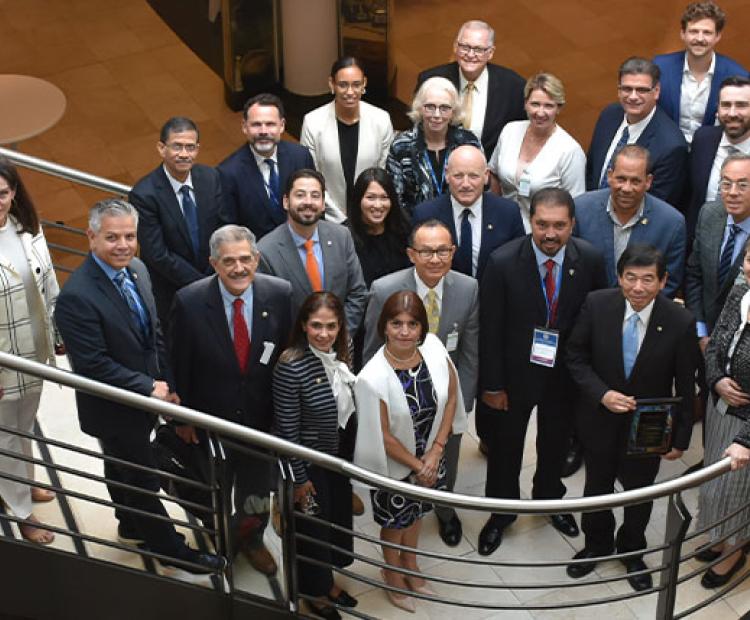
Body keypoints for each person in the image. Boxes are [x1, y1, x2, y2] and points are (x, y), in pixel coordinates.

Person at [55, 199, 226, 574]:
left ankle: (130, 524)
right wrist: (149, 386)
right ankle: (171, 550)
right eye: (112, 237)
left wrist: (169, 383)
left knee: (122, 468)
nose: (122, 245)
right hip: (114, 408)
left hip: (149, 396)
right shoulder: (75, 297)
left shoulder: (138, 270)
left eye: (129, 237)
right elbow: (92, 364)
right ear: (91, 237)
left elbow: (156, 334)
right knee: (143, 479)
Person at [476, 189, 607, 555]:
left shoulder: (591, 259)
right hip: (514, 377)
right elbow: (490, 329)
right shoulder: (501, 262)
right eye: (542, 224)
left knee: (555, 443)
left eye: (559, 225)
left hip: (565, 376)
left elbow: (598, 319)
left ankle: (549, 499)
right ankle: (501, 514)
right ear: (530, 221)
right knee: (505, 449)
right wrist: (493, 385)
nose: (550, 233)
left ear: (572, 224)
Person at [565, 244, 697, 592]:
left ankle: (632, 550)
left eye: (647, 280)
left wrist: (680, 438)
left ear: (663, 281)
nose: (638, 288)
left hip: (649, 427)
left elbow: (686, 383)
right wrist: (602, 394)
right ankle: (596, 544)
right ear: (619, 277)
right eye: (630, 278)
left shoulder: (680, 321)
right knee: (597, 487)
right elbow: (575, 356)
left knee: (639, 492)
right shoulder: (597, 305)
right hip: (599, 418)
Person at [169, 224, 293, 576]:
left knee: (256, 492)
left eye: (245, 259)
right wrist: (182, 419)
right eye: (228, 261)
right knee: (213, 489)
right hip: (210, 421)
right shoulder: (189, 302)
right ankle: (219, 536)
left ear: (256, 258)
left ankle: (252, 539)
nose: (239, 269)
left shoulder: (280, 294)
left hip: (260, 420)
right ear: (213, 263)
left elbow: (286, 355)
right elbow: (178, 364)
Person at [362, 219, 479, 547]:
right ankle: (401, 516)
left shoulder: (468, 288)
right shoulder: (384, 289)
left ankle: (445, 510)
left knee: (444, 463)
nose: (435, 258)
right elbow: (371, 353)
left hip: (446, 403)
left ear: (453, 252)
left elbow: (470, 353)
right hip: (399, 402)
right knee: (403, 463)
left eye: (443, 250)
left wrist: (461, 405)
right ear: (411, 254)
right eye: (426, 251)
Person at [355, 290, 466, 612]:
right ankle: (391, 572)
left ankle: (411, 564)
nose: (404, 331)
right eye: (396, 323)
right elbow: (383, 435)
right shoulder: (371, 377)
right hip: (396, 464)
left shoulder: (432, 347)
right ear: (384, 327)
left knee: (418, 513)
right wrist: (419, 465)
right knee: (395, 522)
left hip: (432, 453)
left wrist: (437, 451)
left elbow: (451, 398)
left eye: (412, 324)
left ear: (422, 327)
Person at [273, 292, 357, 619]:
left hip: (337, 462)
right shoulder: (290, 366)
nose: (324, 333)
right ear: (304, 326)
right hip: (308, 468)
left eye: (331, 326)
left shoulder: (342, 354)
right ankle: (315, 591)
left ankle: (329, 581)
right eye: (316, 326)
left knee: (334, 524)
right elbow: (286, 431)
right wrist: (299, 480)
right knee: (312, 530)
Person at [0, 158, 60, 544]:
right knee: (4, 436)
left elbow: (50, 283)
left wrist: (57, 335)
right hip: (2, 362)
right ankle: (20, 508)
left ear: (13, 192)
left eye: (2, 193)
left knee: (24, 425)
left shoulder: (27, 230)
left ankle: (24, 480)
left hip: (34, 352)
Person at [128, 116, 225, 330]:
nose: (184, 154)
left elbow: (222, 227)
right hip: (172, 292)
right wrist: (202, 283)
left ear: (197, 149)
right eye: (177, 147)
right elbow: (157, 254)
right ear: (161, 148)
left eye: (190, 147)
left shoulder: (210, 177)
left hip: (215, 278)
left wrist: (215, 271)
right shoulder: (144, 194)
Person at [258, 169, 367, 338]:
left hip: (340, 344)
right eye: (300, 195)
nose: (308, 202)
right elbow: (269, 312)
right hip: (294, 349)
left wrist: (337, 335)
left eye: (315, 196)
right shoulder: (266, 251)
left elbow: (357, 293)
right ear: (286, 202)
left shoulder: (342, 236)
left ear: (323, 203)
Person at [698, 238, 750, 589]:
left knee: (739, 492)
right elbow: (716, 342)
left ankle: (734, 548)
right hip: (720, 408)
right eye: (749, 257)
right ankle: (717, 537)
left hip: (747, 428)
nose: (749, 266)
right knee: (714, 482)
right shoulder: (740, 291)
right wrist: (716, 380)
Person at [574, 145, 687, 298]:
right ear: (609, 176)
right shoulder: (580, 209)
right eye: (621, 179)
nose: (626, 188)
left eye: (635, 181)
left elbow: (668, 284)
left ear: (648, 182)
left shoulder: (671, 223)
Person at [586, 57, 688, 209]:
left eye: (641, 90)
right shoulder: (609, 115)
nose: (633, 97)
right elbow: (592, 170)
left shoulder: (672, 145)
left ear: (656, 91)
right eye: (627, 89)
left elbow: (655, 206)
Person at [489, 73, 586, 231]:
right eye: (535, 104)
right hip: (501, 226)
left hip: (541, 236)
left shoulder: (570, 151)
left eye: (548, 106)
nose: (540, 113)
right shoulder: (510, 130)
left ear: (559, 108)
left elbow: (575, 205)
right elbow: (493, 173)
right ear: (526, 104)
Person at [412, 145, 525, 282]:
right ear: (447, 175)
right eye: (458, 176)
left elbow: (518, 266)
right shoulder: (425, 214)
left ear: (486, 176)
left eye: (473, 176)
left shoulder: (508, 213)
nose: (466, 184)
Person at [301, 57, 394, 223]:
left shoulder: (381, 119)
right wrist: (340, 219)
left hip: (371, 216)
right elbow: (312, 176)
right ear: (332, 84)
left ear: (364, 84)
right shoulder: (313, 122)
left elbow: (383, 171)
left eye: (356, 84)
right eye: (343, 85)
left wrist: (367, 211)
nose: (350, 92)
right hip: (328, 217)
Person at [416, 20, 525, 155]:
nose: (471, 54)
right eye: (465, 47)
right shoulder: (431, 79)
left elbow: (519, 136)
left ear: (490, 53)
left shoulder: (513, 86)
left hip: (489, 169)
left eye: (479, 49)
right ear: (456, 47)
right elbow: (418, 127)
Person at [218, 93, 315, 239]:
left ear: (282, 126)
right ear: (244, 127)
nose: (263, 131)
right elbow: (230, 231)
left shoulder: (300, 156)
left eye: (270, 124)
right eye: (256, 124)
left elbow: (316, 203)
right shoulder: (227, 173)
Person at [653, 1, 748, 144]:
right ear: (683, 34)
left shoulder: (738, 75)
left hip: (712, 153)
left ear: (718, 36)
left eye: (707, 33)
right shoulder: (660, 67)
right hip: (666, 148)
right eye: (694, 31)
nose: (699, 39)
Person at [387, 77, 481, 218]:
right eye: (430, 107)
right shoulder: (402, 145)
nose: (437, 115)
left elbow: (480, 188)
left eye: (444, 108)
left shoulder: (468, 142)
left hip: (462, 222)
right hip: (416, 227)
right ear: (419, 108)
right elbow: (396, 197)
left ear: (453, 112)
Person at [686, 154, 750, 352]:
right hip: (702, 337)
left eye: (742, 185)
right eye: (726, 183)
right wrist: (700, 330)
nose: (732, 192)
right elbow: (694, 275)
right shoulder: (709, 214)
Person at [687, 76, 750, 238]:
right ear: (717, 109)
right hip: (700, 243)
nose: (732, 113)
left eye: (741, 105)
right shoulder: (703, 139)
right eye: (726, 105)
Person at [347, 168, 410, 289]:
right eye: (371, 198)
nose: (378, 205)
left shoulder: (405, 231)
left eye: (384, 197)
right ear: (358, 200)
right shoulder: (345, 236)